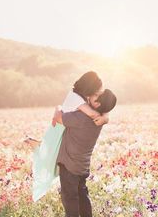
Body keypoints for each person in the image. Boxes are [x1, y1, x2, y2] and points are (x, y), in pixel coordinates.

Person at [30, 71, 109, 202]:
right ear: (90, 88)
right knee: (50, 161)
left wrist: (105, 117)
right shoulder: (76, 98)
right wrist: (104, 118)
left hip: (64, 128)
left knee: (52, 159)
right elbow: (93, 114)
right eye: (97, 92)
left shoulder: (79, 96)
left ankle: (40, 145)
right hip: (60, 130)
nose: (98, 96)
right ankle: (39, 146)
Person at [52, 89, 117, 217]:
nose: (89, 96)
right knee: (82, 196)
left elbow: (58, 117)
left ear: (98, 103)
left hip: (70, 164)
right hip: (82, 164)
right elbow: (104, 114)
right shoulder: (99, 119)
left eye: (94, 96)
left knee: (70, 200)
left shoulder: (81, 117)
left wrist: (58, 107)